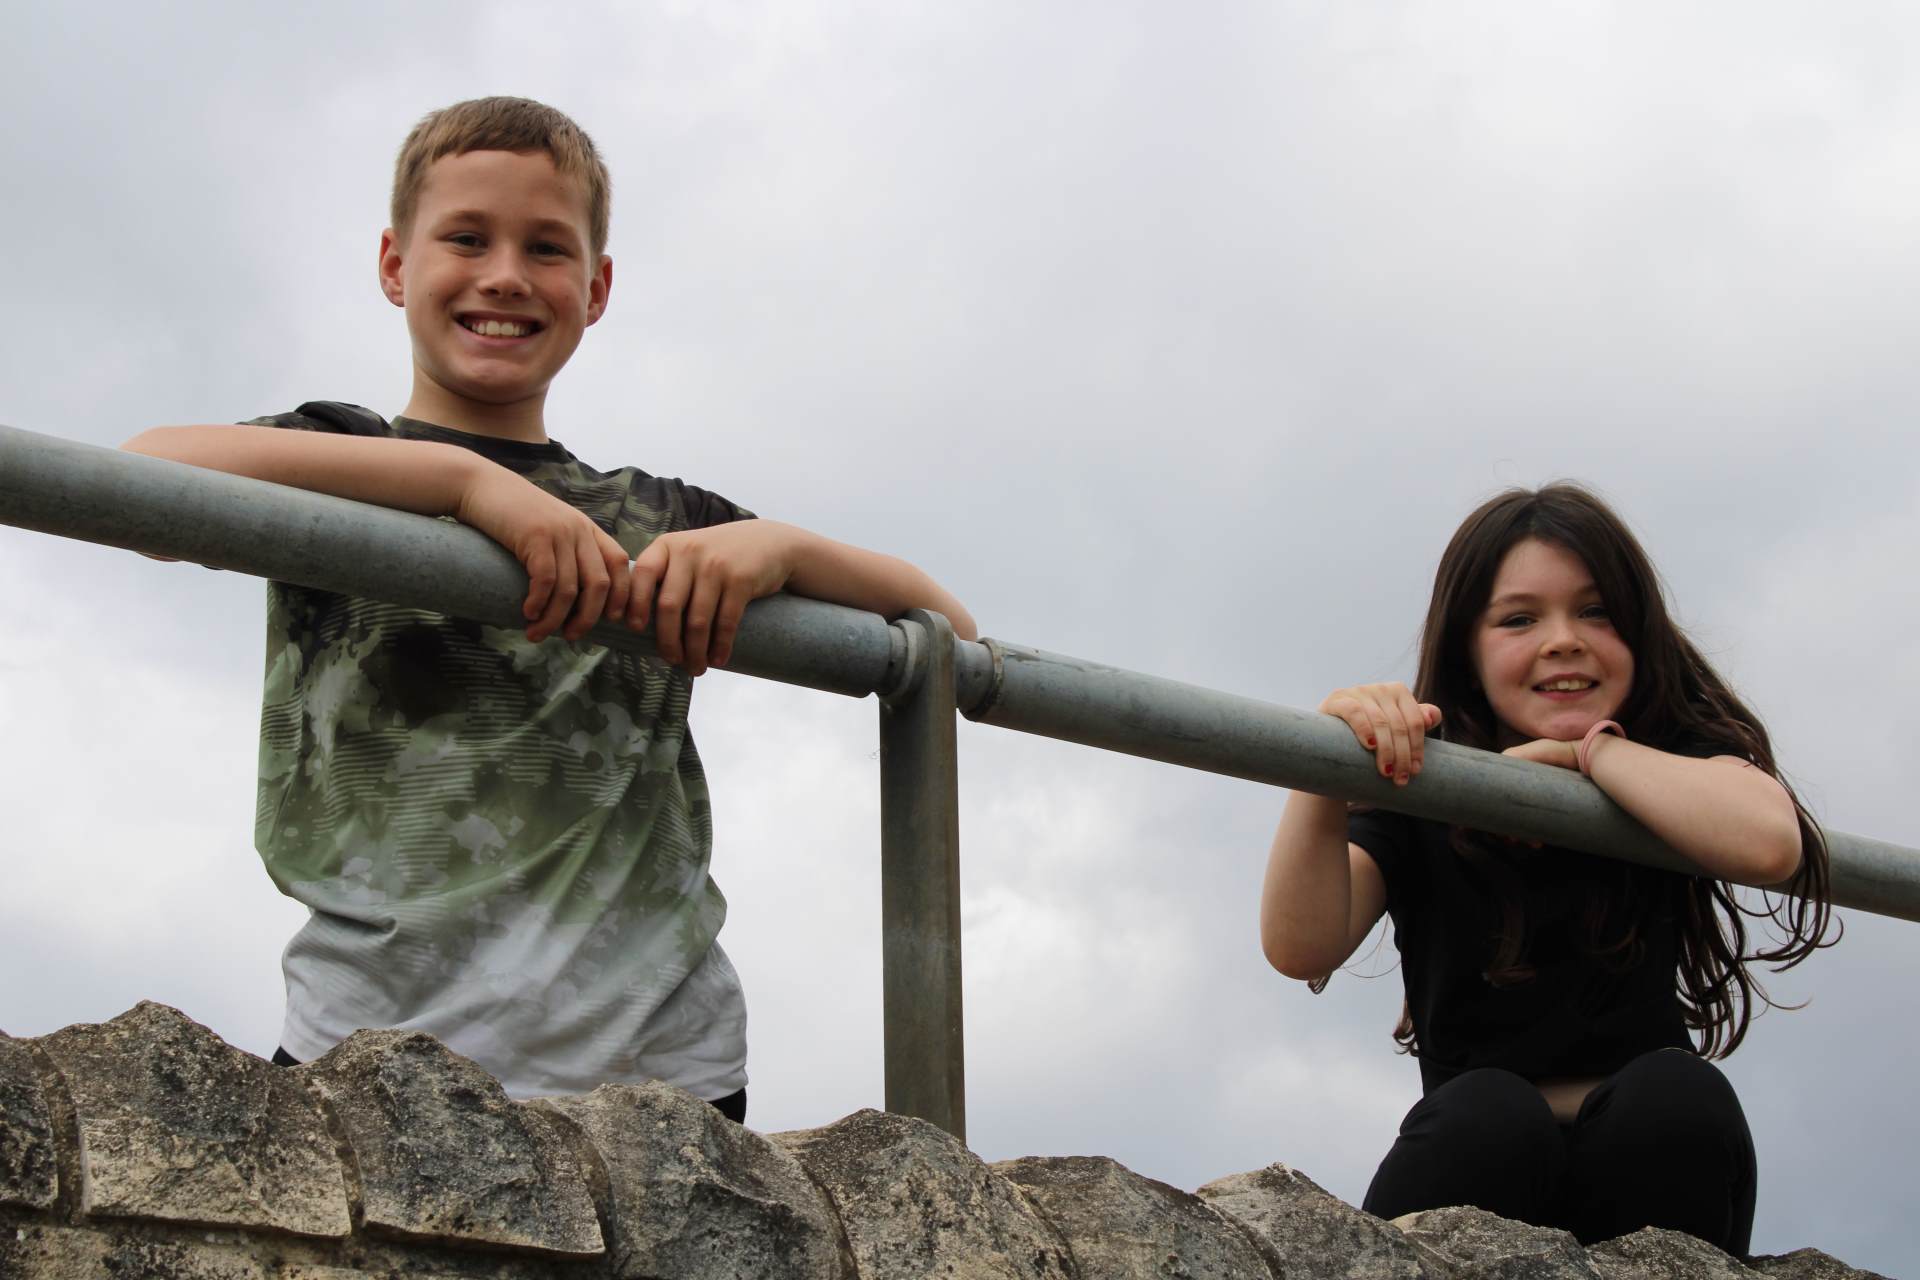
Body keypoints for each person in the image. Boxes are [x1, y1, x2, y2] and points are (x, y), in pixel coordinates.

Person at [121, 96, 976, 1123]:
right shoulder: (343, 461)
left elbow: (952, 630)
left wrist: (781, 547)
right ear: (394, 264)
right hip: (368, 1057)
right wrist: (458, 484)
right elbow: (142, 476)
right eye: (466, 238)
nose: (505, 275)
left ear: (596, 287)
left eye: (546, 247)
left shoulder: (658, 519)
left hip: (665, 1085)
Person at [1258, 483, 1831, 1254]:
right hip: (1478, 1159)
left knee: (1675, 1095)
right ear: (1467, 648)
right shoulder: (1427, 777)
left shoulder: (1667, 762)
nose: (1563, 640)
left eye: (1596, 612)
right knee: (1489, 1115)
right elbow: (1301, 944)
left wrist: (1590, 754)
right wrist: (1324, 763)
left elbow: (1770, 841)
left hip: (1653, 1158)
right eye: (1519, 619)